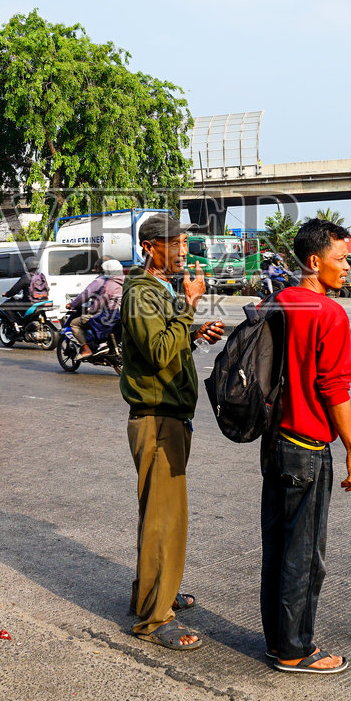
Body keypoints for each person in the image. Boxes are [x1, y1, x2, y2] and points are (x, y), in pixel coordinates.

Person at [259, 218, 351, 674]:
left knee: (278, 547)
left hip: (274, 442)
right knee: (305, 556)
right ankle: (295, 650)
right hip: (306, 445)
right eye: (341, 260)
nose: (348, 267)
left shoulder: (276, 302)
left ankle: (277, 640)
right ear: (314, 261)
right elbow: (334, 388)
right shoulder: (330, 314)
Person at [119, 214, 226, 650]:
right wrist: (190, 306)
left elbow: (169, 341)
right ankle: (153, 619)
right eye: (174, 244)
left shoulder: (159, 291)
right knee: (164, 521)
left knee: (164, 515)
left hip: (170, 416)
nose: (183, 251)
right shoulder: (143, 294)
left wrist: (195, 333)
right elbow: (161, 351)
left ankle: (153, 594)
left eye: (184, 242)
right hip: (156, 418)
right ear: (149, 248)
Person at [69, 259, 125, 359]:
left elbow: (92, 298)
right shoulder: (126, 280)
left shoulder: (105, 282)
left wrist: (90, 309)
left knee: (75, 323)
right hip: (123, 313)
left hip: (108, 314)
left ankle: (87, 349)